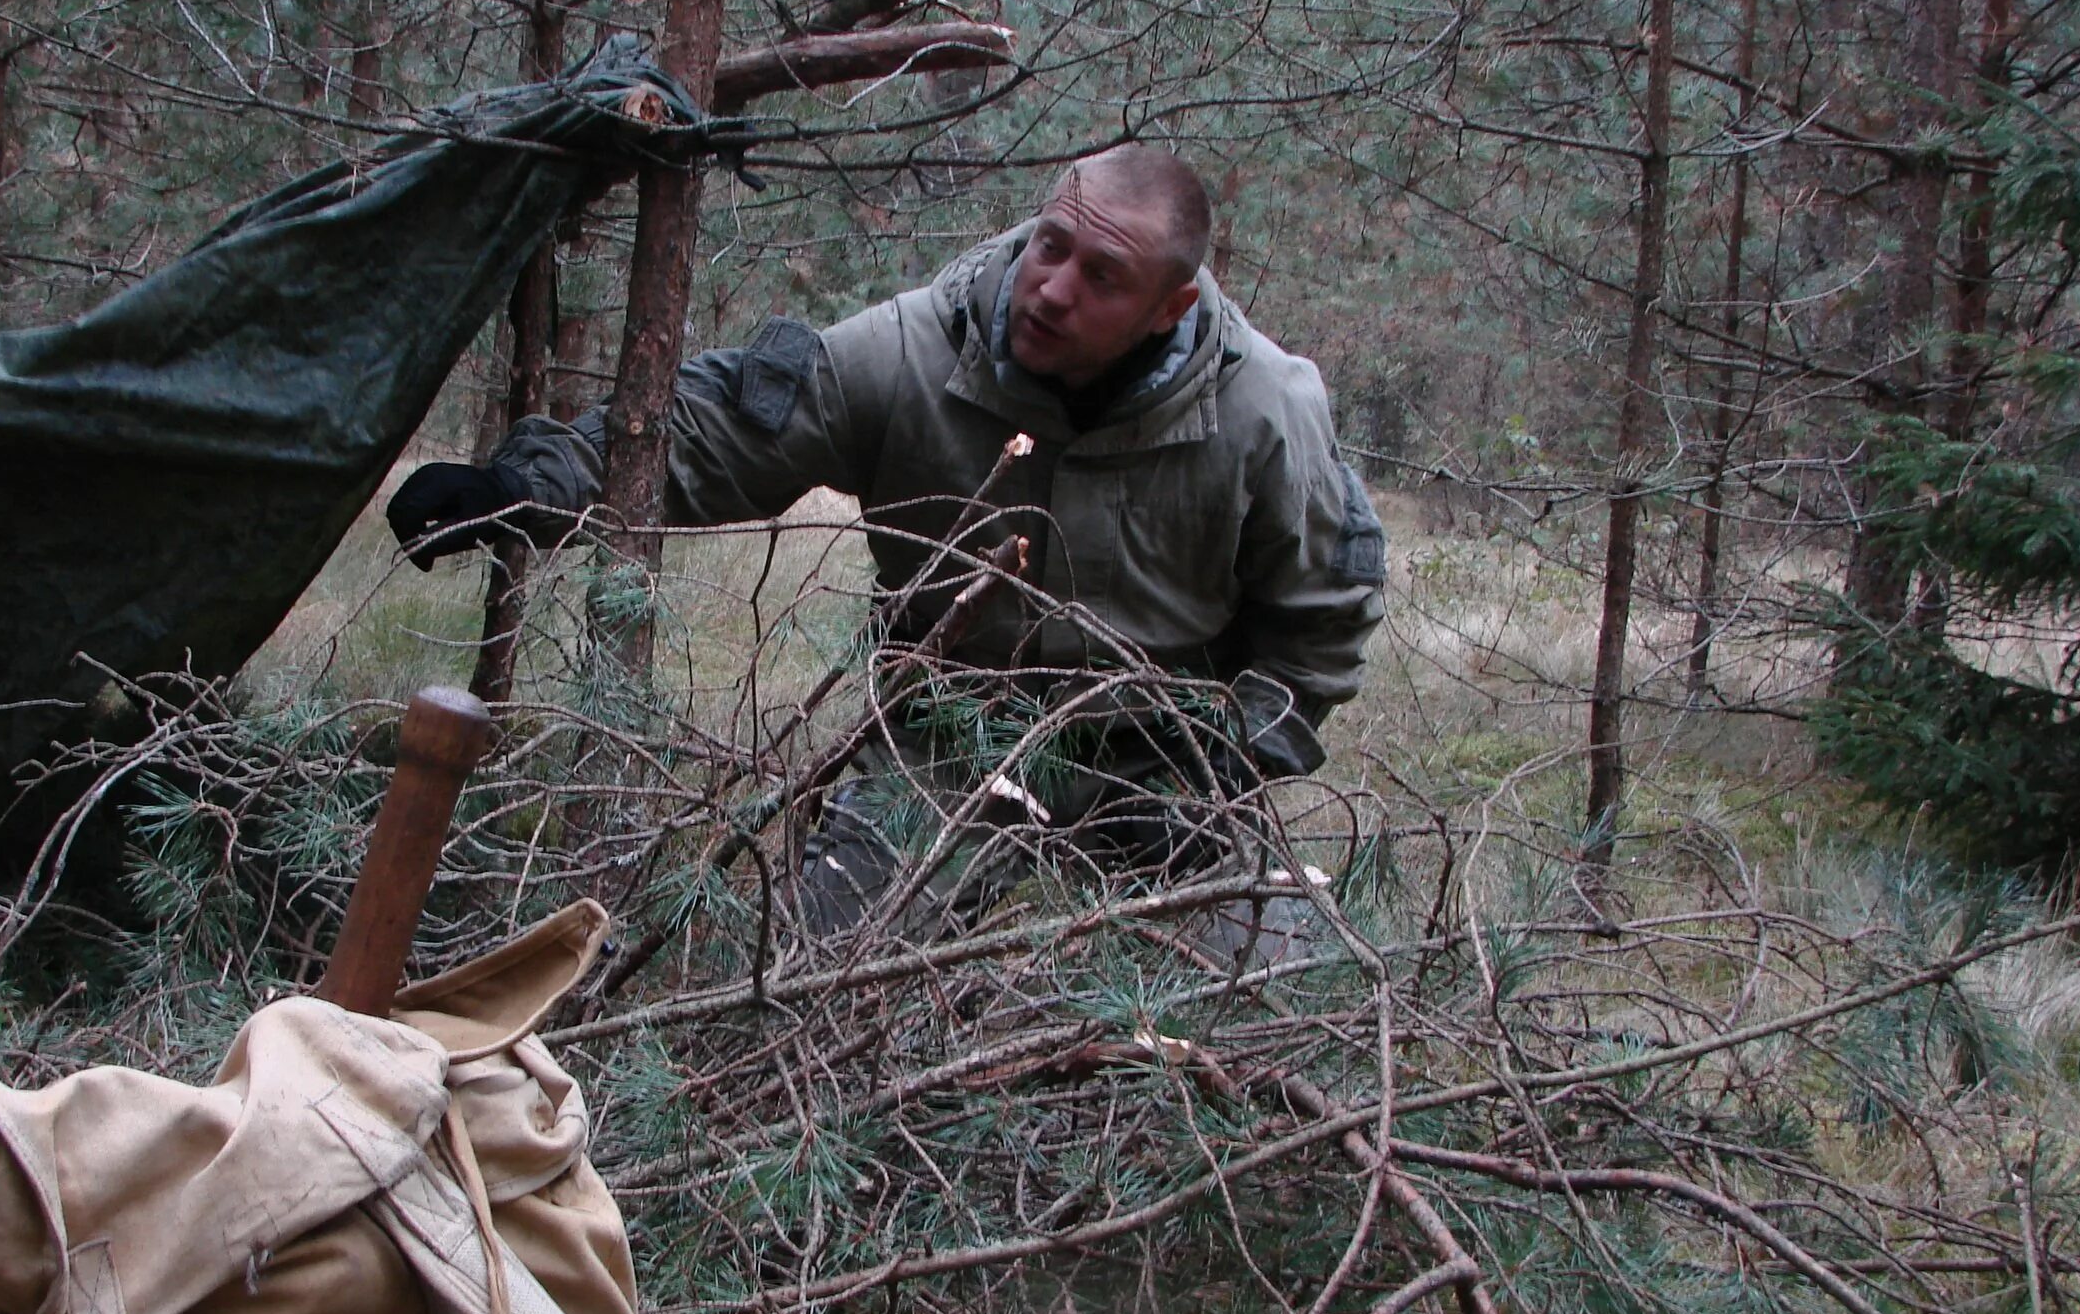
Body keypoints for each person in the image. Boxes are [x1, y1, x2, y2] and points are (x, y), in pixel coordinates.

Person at [389, 144, 1387, 940]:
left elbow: (1321, 618)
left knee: (1271, 1018)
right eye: (1050, 246)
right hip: (942, 744)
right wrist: (525, 486)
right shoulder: (916, 348)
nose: (1051, 289)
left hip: (1162, 764)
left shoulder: (1265, 408)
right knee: (813, 987)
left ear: (1170, 306)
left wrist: (1226, 762)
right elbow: (722, 429)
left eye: (1103, 276)